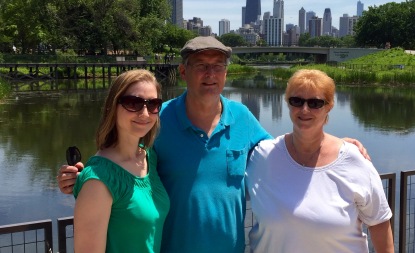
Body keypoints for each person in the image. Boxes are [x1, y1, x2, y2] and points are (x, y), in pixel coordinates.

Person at [58, 36, 370, 253]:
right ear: (183, 72)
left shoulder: (242, 117)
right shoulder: (157, 118)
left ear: (226, 73)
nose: (210, 74)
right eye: (200, 66)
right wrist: (84, 175)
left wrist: (331, 142)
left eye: (218, 66)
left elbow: (282, 152)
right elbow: (120, 157)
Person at [245, 69, 394, 253]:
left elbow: (379, 222)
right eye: (296, 101)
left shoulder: (354, 160)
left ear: (329, 106)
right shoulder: (263, 156)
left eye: (315, 103)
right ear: (288, 103)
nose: (304, 109)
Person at [72, 69, 170, 253]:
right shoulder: (98, 180)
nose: (145, 113)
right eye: (133, 103)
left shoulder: (149, 158)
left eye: (153, 104)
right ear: (112, 106)